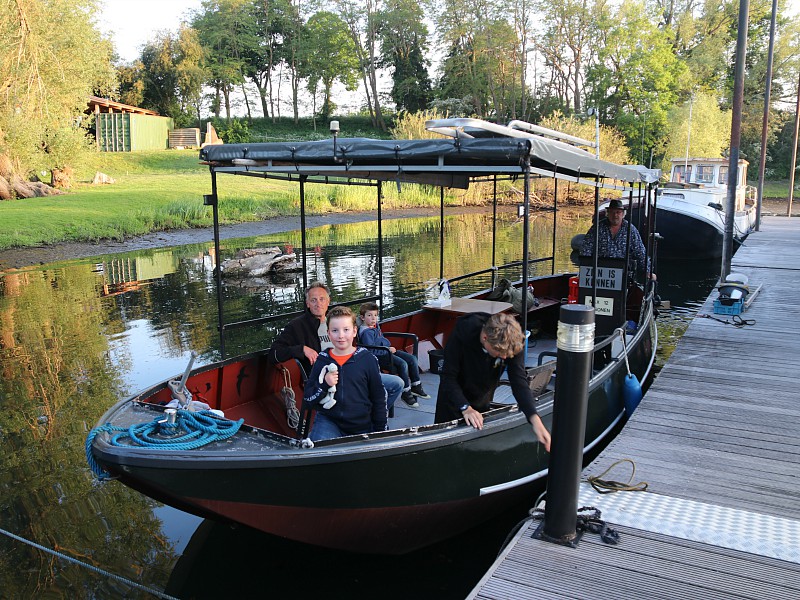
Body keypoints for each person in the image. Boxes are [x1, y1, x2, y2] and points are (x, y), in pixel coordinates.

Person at [268, 281, 403, 410]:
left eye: (322, 299)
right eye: (313, 300)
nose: (318, 304)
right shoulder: (297, 326)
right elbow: (274, 354)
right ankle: (362, 420)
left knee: (396, 384)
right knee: (373, 393)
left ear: (328, 301)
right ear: (307, 303)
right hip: (327, 378)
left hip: (353, 368)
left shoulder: (334, 321)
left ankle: (367, 420)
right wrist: (301, 349)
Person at [434, 312, 551, 451]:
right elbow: (448, 377)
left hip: (483, 393)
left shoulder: (512, 342)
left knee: (475, 443)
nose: (503, 357)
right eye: (499, 354)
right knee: (446, 448)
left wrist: (534, 419)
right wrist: (466, 408)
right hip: (453, 398)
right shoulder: (462, 334)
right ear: (485, 338)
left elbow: (519, 381)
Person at [304, 306, 388, 441]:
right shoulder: (322, 360)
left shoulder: (367, 359)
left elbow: (378, 397)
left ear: (355, 331)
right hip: (330, 421)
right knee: (318, 454)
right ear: (328, 333)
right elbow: (308, 400)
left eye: (346, 330)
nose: (341, 335)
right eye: (335, 330)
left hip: (361, 423)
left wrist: (380, 430)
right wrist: (325, 384)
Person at [358, 302, 430, 408]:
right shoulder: (366, 333)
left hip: (388, 351)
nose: (373, 318)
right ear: (362, 317)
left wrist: (389, 348)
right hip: (381, 356)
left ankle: (416, 386)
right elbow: (371, 350)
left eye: (375, 315)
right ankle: (406, 392)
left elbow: (380, 338)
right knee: (403, 364)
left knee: (412, 359)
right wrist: (387, 349)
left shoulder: (374, 326)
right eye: (369, 315)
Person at [580, 199, 655, 280]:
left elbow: (640, 252)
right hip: (600, 272)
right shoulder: (597, 228)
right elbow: (586, 249)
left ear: (623, 214)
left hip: (623, 272)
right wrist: (585, 268)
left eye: (618, 212)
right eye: (612, 212)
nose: (615, 215)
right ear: (607, 214)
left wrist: (648, 271)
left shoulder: (630, 229)